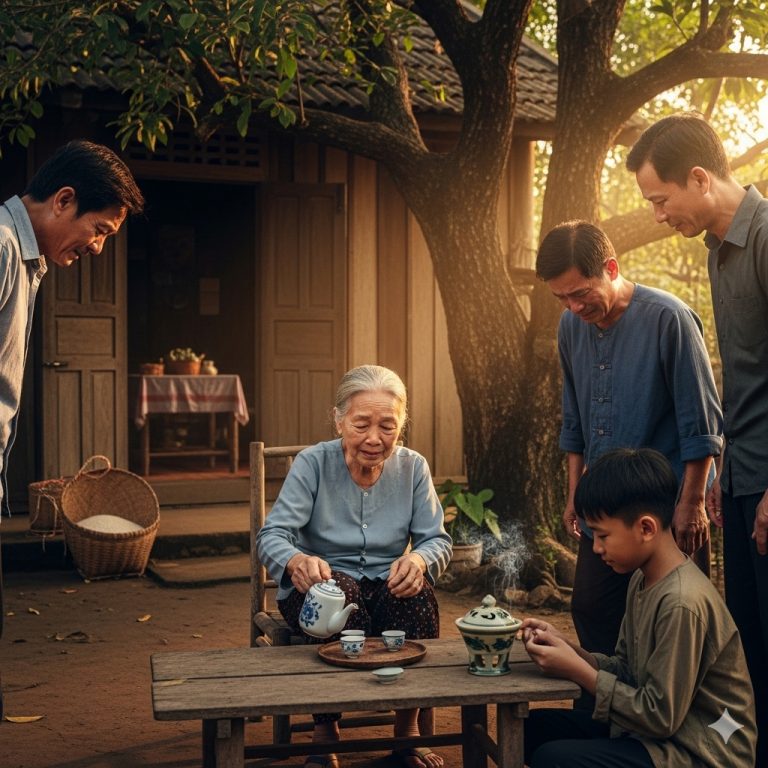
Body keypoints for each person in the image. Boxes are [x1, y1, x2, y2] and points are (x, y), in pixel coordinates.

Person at [627, 111, 768, 764]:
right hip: (740, 477)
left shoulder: (765, 238)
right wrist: (718, 476)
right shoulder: (717, 248)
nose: (657, 215)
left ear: (700, 178)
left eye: (660, 199)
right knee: (746, 645)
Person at [0, 139, 144, 717]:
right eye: (102, 229)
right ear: (63, 200)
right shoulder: (4, 247)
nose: (101, 247)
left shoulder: (24, 258)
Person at [536, 220, 722, 661]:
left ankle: (672, 722)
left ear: (611, 267)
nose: (574, 307)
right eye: (561, 298)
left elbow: (701, 422)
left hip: (666, 505)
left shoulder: (669, 318)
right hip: (601, 503)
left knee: (674, 619)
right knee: (592, 608)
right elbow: (575, 419)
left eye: (580, 293)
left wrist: (691, 504)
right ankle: (602, 714)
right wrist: (574, 494)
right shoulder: (569, 328)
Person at [256, 364, 452, 768]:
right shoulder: (312, 464)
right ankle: (326, 729)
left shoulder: (413, 467)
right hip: (320, 589)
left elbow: (437, 540)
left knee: (415, 595)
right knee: (337, 594)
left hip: (385, 588)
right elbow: (271, 536)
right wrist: (296, 559)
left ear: (402, 424)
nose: (375, 439)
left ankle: (407, 727)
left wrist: (418, 559)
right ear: (339, 420)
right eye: (361, 424)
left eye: (388, 425)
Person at [522, 448, 756, 768]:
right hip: (655, 733)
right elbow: (626, 669)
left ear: (646, 528)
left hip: (698, 749)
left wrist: (579, 672)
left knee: (554, 759)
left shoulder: (682, 603)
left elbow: (659, 717)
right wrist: (571, 651)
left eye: (603, 535)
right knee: (531, 729)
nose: (596, 547)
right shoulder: (641, 580)